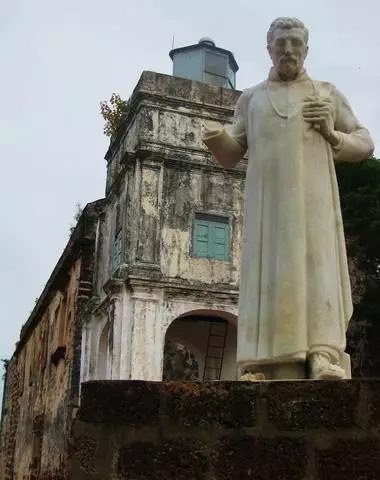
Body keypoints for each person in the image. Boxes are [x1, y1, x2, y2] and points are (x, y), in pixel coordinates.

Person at [203, 17, 374, 380]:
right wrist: (217, 138)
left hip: (314, 203)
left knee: (316, 271)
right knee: (270, 277)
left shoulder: (326, 93)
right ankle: (264, 363)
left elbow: (365, 142)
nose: (289, 50)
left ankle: (321, 355)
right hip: (269, 208)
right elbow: (233, 151)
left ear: (306, 49)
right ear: (269, 48)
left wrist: (332, 134)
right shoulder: (250, 99)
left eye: (296, 43)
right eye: (281, 44)